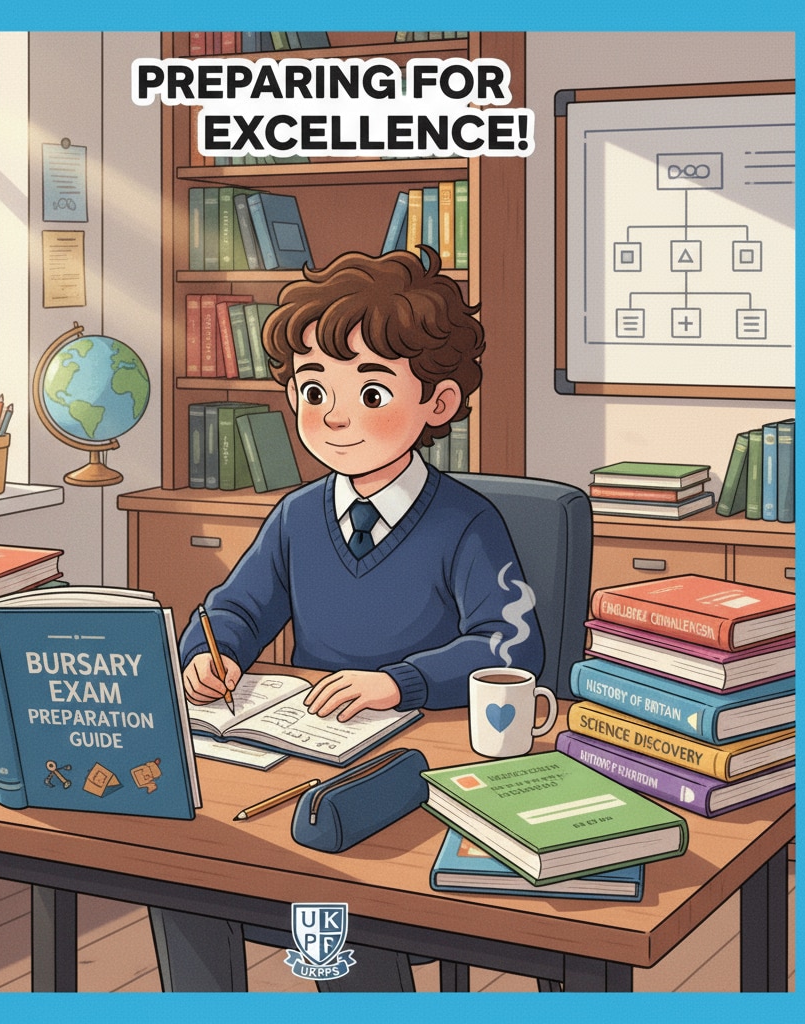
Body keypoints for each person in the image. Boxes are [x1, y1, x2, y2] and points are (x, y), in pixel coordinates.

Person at [151, 246, 544, 992]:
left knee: (343, 902)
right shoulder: (298, 516)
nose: (332, 416)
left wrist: (398, 683)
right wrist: (215, 654)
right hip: (303, 750)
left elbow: (512, 648)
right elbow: (235, 607)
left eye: (369, 393)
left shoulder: (466, 522)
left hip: (416, 765)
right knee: (187, 872)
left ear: (439, 403)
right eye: (311, 390)